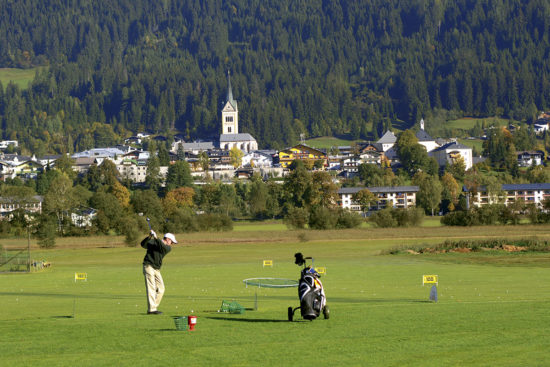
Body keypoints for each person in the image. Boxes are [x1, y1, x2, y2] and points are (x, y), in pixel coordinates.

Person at [141, 230, 177, 315]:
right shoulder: (153, 242)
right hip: (148, 266)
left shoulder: (167, 248)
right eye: (172, 242)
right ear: (168, 239)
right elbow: (143, 245)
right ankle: (152, 309)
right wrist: (149, 237)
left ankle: (153, 307)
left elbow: (162, 247)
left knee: (161, 288)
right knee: (151, 287)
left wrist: (156, 237)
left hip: (156, 269)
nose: (172, 244)